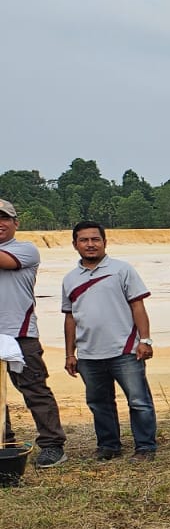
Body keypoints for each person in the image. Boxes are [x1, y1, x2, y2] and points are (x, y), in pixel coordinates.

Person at [60, 222, 157, 462]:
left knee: (139, 401)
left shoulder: (122, 270)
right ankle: (108, 446)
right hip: (89, 354)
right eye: (84, 240)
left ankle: (145, 447)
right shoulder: (70, 279)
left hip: (125, 350)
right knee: (99, 402)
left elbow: (138, 306)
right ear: (75, 245)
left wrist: (145, 340)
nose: (90, 244)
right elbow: (70, 317)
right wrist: (70, 354)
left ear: (105, 242)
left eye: (95, 239)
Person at [0, 198, 67, 467]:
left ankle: (53, 445)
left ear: (16, 223)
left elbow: (5, 262)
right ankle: (4, 443)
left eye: (4, 218)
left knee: (35, 391)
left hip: (20, 333)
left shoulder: (26, 250)